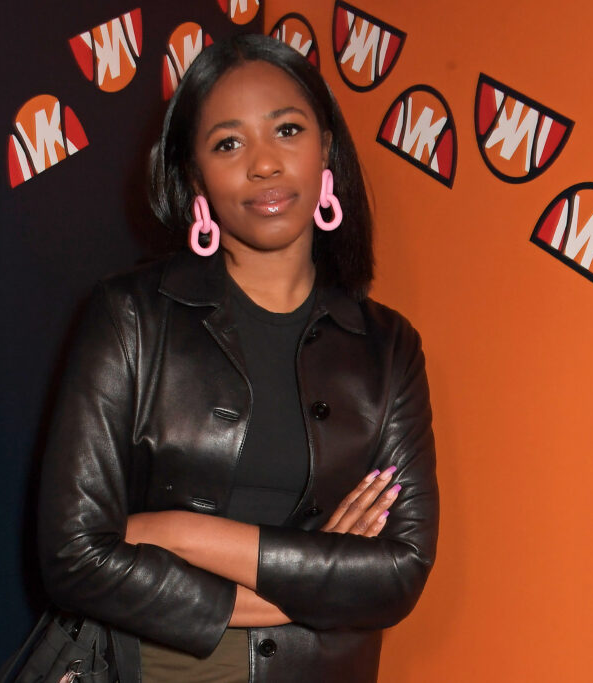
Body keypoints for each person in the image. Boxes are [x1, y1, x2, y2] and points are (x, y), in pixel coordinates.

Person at [38, 33, 438, 683]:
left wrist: (175, 533)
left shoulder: (388, 347)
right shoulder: (130, 315)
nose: (264, 164)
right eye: (228, 143)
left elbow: (398, 574)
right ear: (194, 175)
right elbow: (74, 556)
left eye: (287, 130)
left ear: (326, 147)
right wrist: (319, 581)